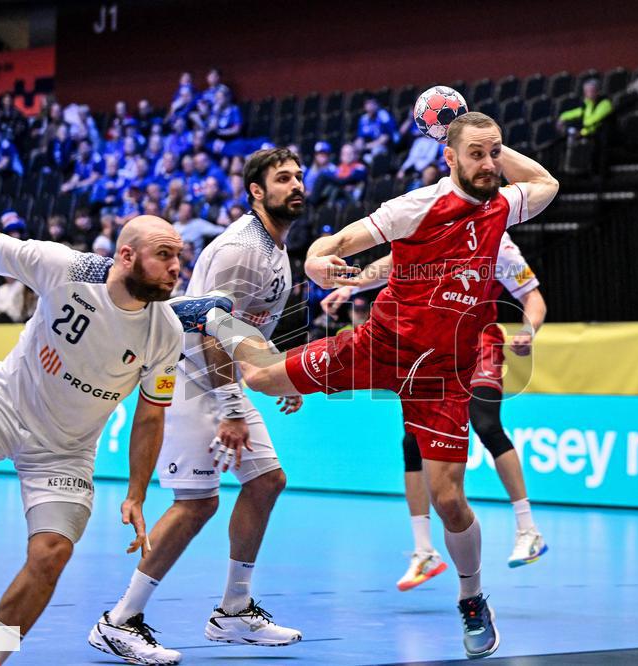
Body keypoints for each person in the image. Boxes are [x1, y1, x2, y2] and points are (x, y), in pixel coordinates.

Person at [171, 112, 559, 659]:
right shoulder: (417, 205)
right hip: (376, 346)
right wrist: (318, 259)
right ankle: (210, 316)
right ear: (447, 157)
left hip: (442, 372)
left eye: (494, 153)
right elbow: (338, 241)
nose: (488, 164)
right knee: (259, 374)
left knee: (450, 500)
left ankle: (472, 598)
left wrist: (490, 137)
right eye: (475, 153)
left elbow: (547, 185)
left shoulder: (502, 205)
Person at [0, 178, 227, 665]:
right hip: (4, 404)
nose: (177, 267)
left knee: (51, 553)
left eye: (180, 256)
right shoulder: (65, 267)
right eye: (165, 255)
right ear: (126, 256)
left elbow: (150, 415)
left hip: (67, 450)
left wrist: (137, 493)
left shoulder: (167, 331)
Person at [90, 148, 306, 664]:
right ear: (256, 191)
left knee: (266, 480)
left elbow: (245, 329)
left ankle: (233, 611)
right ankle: (118, 621)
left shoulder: (275, 246)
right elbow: (210, 326)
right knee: (197, 502)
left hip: (221, 376)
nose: (296, 185)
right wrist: (231, 406)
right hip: (189, 375)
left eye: (299, 177)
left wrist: (279, 372)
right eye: (283, 179)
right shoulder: (240, 249)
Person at [322, 232, 549, 587]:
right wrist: (352, 287)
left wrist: (529, 330)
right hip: (431, 349)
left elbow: (532, 297)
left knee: (486, 423)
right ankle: (424, 552)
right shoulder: (437, 227)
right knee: (412, 441)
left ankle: (528, 528)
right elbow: (395, 264)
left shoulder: (499, 245)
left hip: (478, 343)